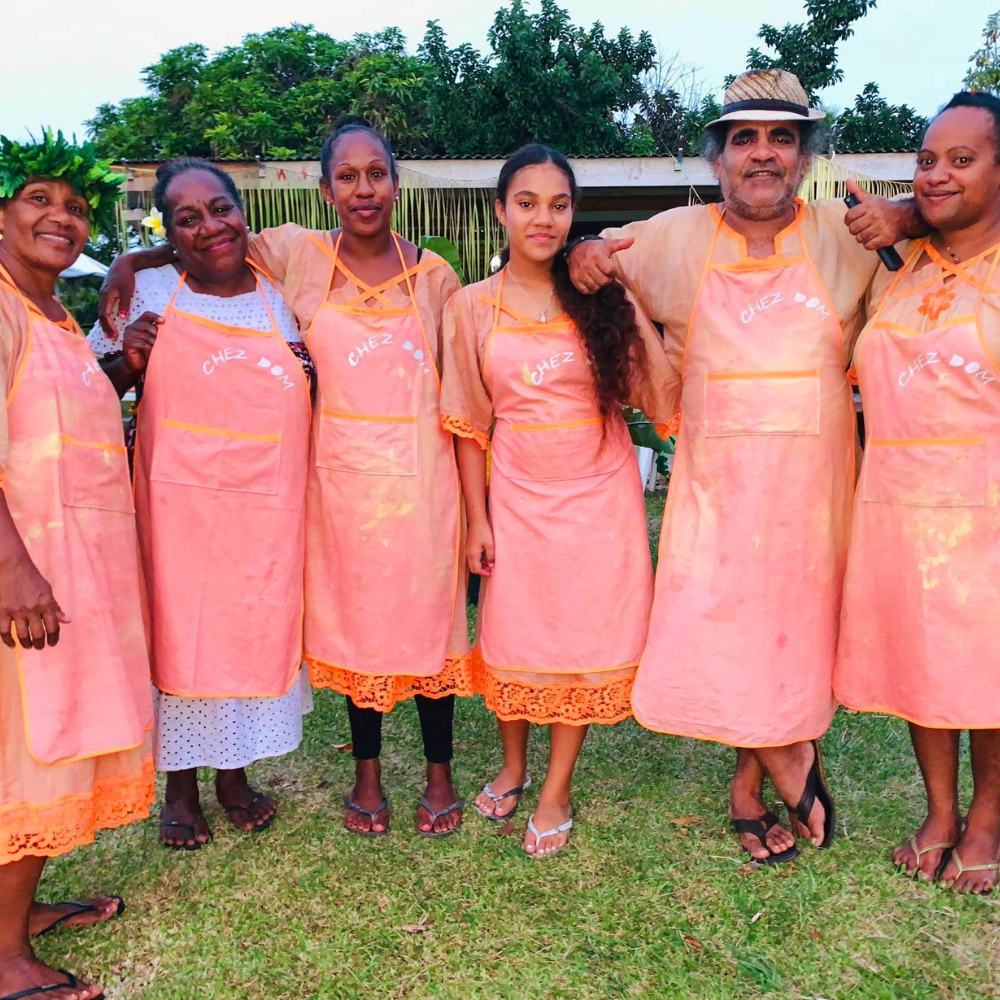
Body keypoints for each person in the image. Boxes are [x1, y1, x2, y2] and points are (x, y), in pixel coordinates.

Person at [567, 70, 924, 864]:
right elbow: (598, 259)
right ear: (718, 159)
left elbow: (965, 227)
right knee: (725, 626)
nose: (762, 154)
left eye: (781, 138)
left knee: (791, 632)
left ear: (804, 158)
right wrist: (588, 252)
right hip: (715, 483)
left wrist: (911, 214)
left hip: (814, 484)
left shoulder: (849, 228)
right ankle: (785, 760)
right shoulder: (673, 234)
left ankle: (753, 782)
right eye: (744, 139)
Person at [101, 119, 472, 838]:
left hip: (422, 488)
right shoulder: (296, 254)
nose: (364, 189)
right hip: (333, 490)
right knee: (353, 628)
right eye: (347, 176)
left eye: (377, 173)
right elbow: (208, 246)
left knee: (433, 633)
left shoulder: (436, 276)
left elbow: (457, 397)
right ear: (324, 187)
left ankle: (438, 774)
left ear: (395, 182)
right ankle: (364, 778)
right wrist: (130, 262)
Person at [440, 144, 673, 857]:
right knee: (513, 638)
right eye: (528, 202)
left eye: (560, 204)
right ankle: (513, 765)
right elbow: (469, 421)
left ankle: (555, 788)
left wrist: (621, 290)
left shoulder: (597, 293)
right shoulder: (470, 307)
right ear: (501, 210)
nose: (544, 218)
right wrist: (478, 519)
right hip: (514, 496)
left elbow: (648, 390)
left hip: (598, 499)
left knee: (578, 645)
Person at [93, 159, 313, 850]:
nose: (209, 227)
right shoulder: (152, 289)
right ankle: (181, 789)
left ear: (242, 211)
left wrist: (135, 249)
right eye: (186, 219)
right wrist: (127, 357)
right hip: (179, 513)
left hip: (264, 513)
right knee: (181, 640)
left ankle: (232, 777)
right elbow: (86, 391)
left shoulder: (282, 294)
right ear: (170, 233)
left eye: (219, 209)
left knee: (247, 638)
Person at [0, 130, 154, 1000]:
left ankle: (19, 913)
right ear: (0, 214)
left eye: (75, 206)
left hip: (75, 559)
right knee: (25, 753)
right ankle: (6, 961)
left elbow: (55, 412)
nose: (61, 216)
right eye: (38, 199)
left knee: (50, 747)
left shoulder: (52, 310)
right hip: (27, 570)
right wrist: (12, 573)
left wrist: (121, 369)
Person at [835, 92, 1000, 893]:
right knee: (919, 664)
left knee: (989, 670)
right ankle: (939, 809)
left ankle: (990, 817)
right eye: (927, 160)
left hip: (985, 506)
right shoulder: (900, 267)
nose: (938, 175)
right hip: (896, 495)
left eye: (962, 159)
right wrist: (906, 218)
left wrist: (910, 211)